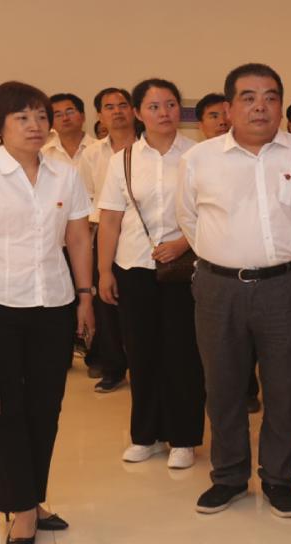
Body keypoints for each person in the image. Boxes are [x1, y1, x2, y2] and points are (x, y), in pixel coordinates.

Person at [177, 62, 291, 519]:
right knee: (223, 388)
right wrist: (224, 257)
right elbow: (189, 219)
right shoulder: (200, 159)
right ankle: (228, 477)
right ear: (228, 108)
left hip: (286, 288)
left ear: (281, 105)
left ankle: (279, 478)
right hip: (219, 288)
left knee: (285, 389)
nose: (260, 106)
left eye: (270, 97)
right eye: (248, 97)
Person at [0, 81, 95, 544]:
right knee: (5, 408)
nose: (35, 126)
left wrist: (85, 297)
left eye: (40, 116)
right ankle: (21, 508)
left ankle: (33, 497)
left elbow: (78, 239)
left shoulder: (65, 174)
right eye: (22, 118)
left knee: (46, 407)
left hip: (54, 303)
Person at [98, 77, 203, 470]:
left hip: (185, 268)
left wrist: (183, 243)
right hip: (134, 267)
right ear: (138, 113)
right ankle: (146, 435)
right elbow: (110, 219)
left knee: (183, 353)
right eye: (154, 106)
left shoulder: (198, 155)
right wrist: (104, 271)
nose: (164, 113)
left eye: (171, 104)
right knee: (141, 353)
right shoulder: (122, 160)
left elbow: (212, 213)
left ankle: (184, 438)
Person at [79, 87, 137, 395]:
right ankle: (113, 368)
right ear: (100, 115)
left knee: (138, 305)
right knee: (107, 303)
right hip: (104, 234)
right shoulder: (92, 153)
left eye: (123, 105)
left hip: (142, 237)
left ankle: (143, 367)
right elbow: (86, 196)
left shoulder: (148, 147)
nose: (117, 111)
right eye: (109, 107)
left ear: (134, 110)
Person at [44, 93, 91, 172]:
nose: (65, 118)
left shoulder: (100, 150)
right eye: (58, 115)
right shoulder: (43, 154)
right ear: (50, 123)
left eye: (70, 112)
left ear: (83, 117)